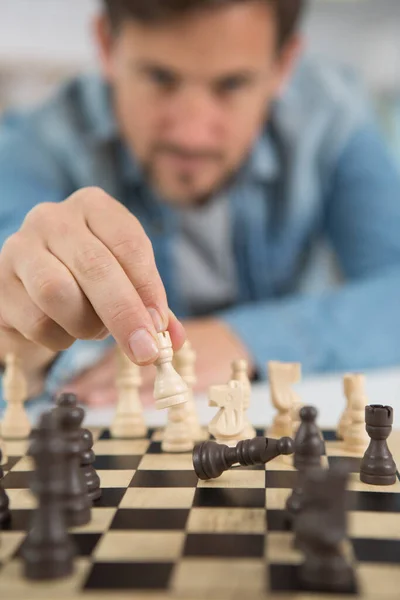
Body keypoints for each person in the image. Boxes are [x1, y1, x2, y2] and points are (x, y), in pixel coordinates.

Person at [0, 0, 399, 409]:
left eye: (232, 85)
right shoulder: (30, 147)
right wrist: (22, 343)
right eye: (159, 77)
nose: (191, 132)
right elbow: (12, 300)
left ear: (283, 65)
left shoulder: (334, 119)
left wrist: (244, 338)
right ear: (106, 46)